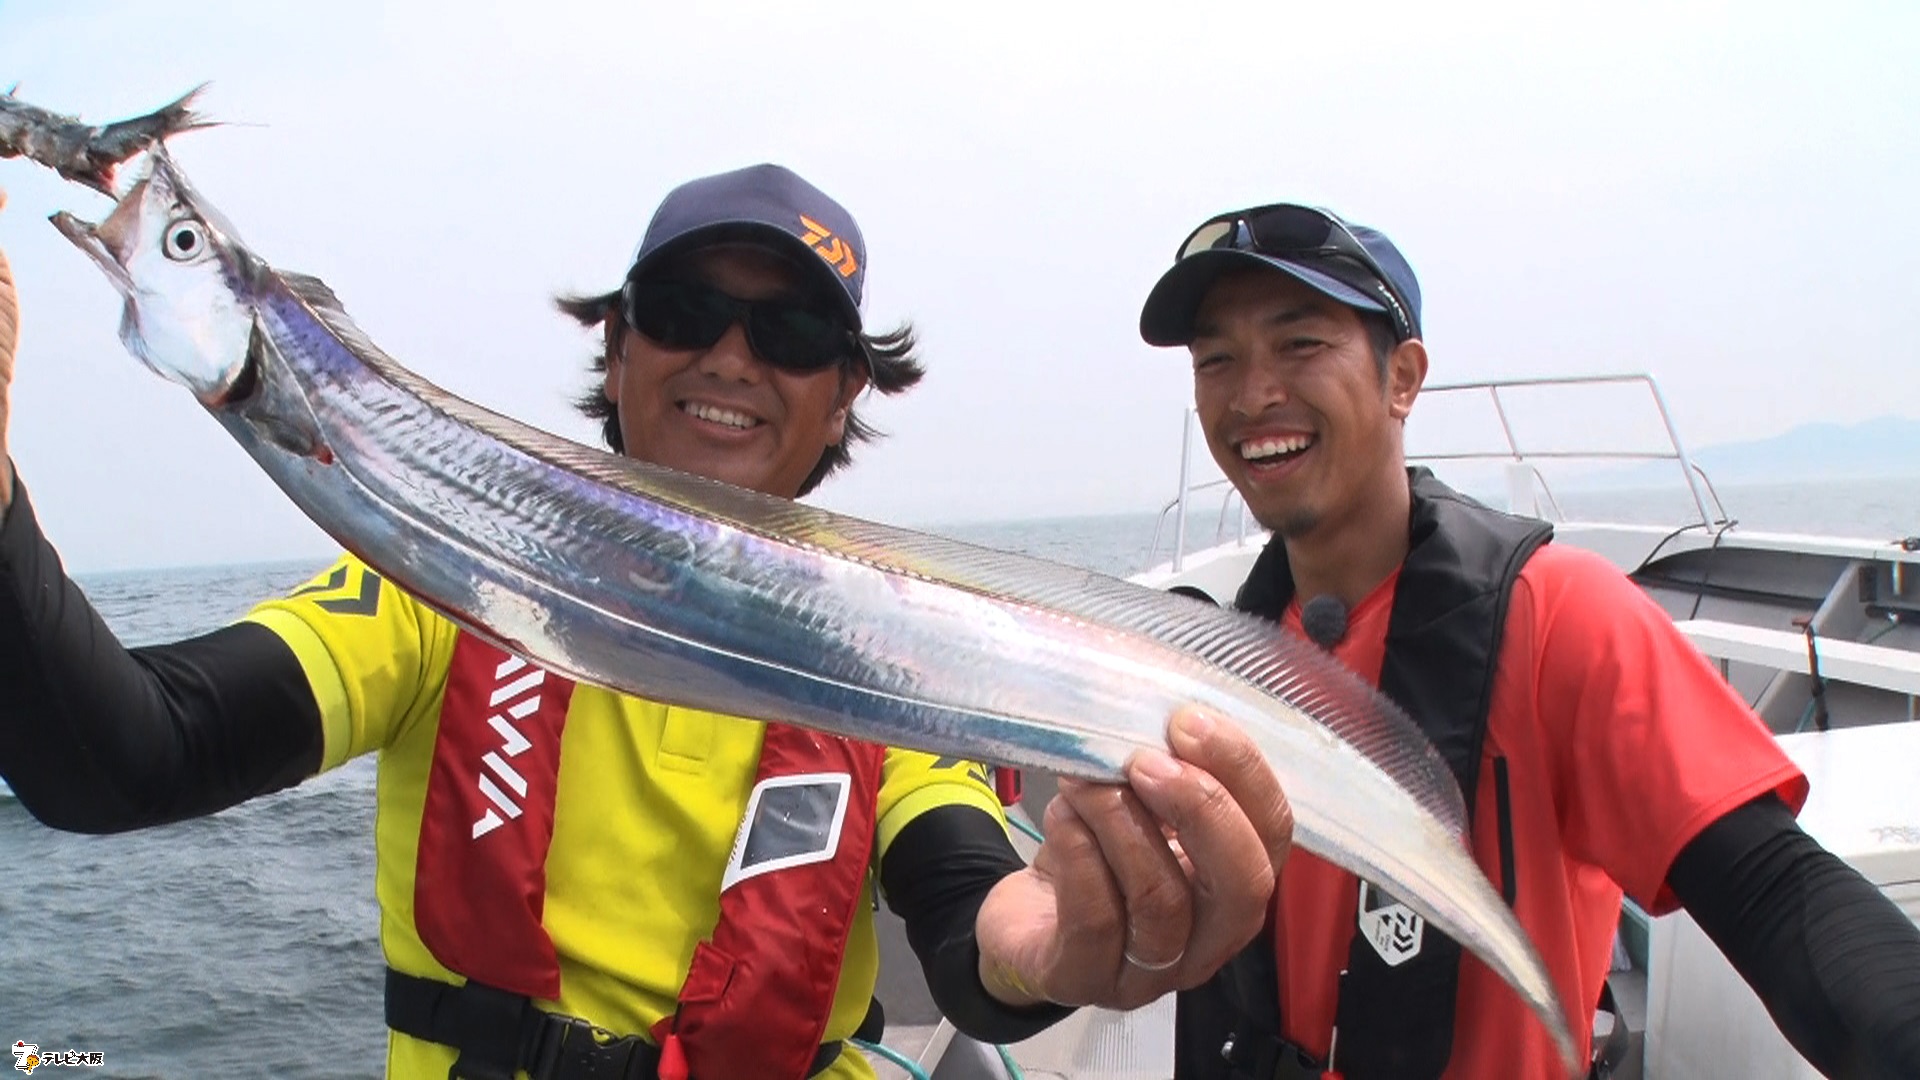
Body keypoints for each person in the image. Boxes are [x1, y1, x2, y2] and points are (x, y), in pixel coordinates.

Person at [0, 170, 1292, 1080]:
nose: (729, 357)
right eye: (681, 314)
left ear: (844, 396)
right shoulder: (444, 582)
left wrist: (1048, 949)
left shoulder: (900, 653)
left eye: (787, 334)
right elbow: (120, 759)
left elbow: (968, 927)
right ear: (614, 351)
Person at [1134, 202, 1920, 1080]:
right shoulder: (1217, 659)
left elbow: (1776, 893)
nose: (1251, 395)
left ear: (1403, 378)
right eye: (1216, 360)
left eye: (1301, 344)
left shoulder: (1557, 616)